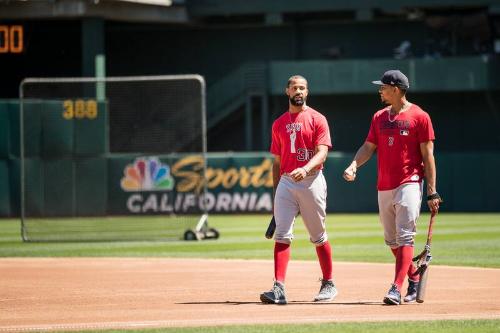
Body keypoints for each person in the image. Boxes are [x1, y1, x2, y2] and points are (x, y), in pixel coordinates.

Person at [343, 69, 442, 305]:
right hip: (384, 185)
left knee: (405, 235)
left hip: (409, 181)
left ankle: (396, 288)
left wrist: (432, 190)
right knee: (392, 240)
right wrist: (354, 164)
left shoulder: (420, 116)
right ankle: (414, 277)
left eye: (383, 87)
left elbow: (428, 156)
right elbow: (368, 146)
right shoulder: (379, 117)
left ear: (395, 90)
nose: (380, 90)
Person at [260, 75, 337, 305]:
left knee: (318, 236)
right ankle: (279, 287)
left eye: (302, 88)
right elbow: (276, 162)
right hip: (286, 181)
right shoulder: (279, 123)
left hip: (312, 180)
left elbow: (322, 152)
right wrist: (276, 194)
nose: (299, 91)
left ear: (307, 92)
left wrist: (306, 168)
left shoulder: (317, 118)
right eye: (295, 87)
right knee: (282, 235)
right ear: (287, 91)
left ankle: (329, 283)